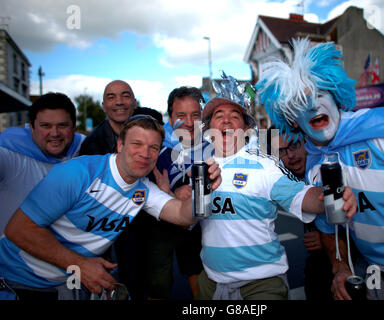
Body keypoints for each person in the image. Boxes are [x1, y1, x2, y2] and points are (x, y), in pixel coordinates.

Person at [257, 37, 384, 300]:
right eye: (299, 104)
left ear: (336, 96)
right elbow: (328, 227)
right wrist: (340, 267)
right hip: (373, 275)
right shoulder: (315, 161)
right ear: (292, 120)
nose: (313, 106)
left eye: (319, 94)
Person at [0, 116, 221, 300]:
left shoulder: (142, 188)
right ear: (120, 145)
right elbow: (18, 229)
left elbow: (183, 216)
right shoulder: (77, 173)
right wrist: (80, 264)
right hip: (17, 281)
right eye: (137, 144)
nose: (145, 153)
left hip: (67, 283)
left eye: (153, 147)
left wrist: (204, 192)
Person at [195, 72, 357, 300]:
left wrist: (330, 195)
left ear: (245, 128)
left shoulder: (264, 165)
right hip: (211, 283)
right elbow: (185, 216)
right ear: (208, 128)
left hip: (261, 284)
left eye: (235, 116)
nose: (226, 120)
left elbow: (302, 196)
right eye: (218, 115)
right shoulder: (200, 167)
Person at [78, 80, 167, 300]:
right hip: (105, 228)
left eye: (125, 96)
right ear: (102, 105)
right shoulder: (92, 144)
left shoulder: (152, 133)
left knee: (148, 283)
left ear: (134, 102)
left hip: (146, 223)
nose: (119, 102)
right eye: (111, 97)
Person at [146, 86, 209, 299]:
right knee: (158, 284)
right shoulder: (155, 148)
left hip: (199, 225)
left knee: (200, 281)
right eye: (181, 116)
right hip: (161, 226)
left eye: (195, 115)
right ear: (171, 118)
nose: (189, 123)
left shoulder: (215, 146)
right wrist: (169, 194)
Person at [0, 92, 85, 236]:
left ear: (73, 127)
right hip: (13, 255)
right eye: (45, 126)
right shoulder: (9, 153)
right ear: (31, 127)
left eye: (62, 125)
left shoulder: (86, 149)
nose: (55, 133)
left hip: (69, 253)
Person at [266, 126, 334, 300]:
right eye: (281, 151)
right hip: (318, 262)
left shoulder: (328, 167)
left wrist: (328, 238)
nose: (290, 155)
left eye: (294, 146)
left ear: (306, 142)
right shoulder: (285, 179)